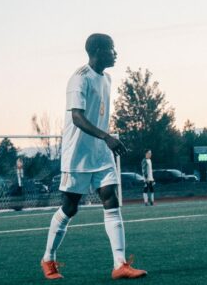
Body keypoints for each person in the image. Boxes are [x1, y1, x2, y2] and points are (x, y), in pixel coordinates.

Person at [41, 33, 147, 280]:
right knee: (70, 207)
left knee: (111, 199)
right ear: (98, 50)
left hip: (100, 154)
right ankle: (48, 259)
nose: (116, 52)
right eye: (111, 48)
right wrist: (106, 137)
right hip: (77, 155)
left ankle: (120, 264)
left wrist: (105, 142)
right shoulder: (79, 79)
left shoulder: (107, 78)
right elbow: (77, 117)